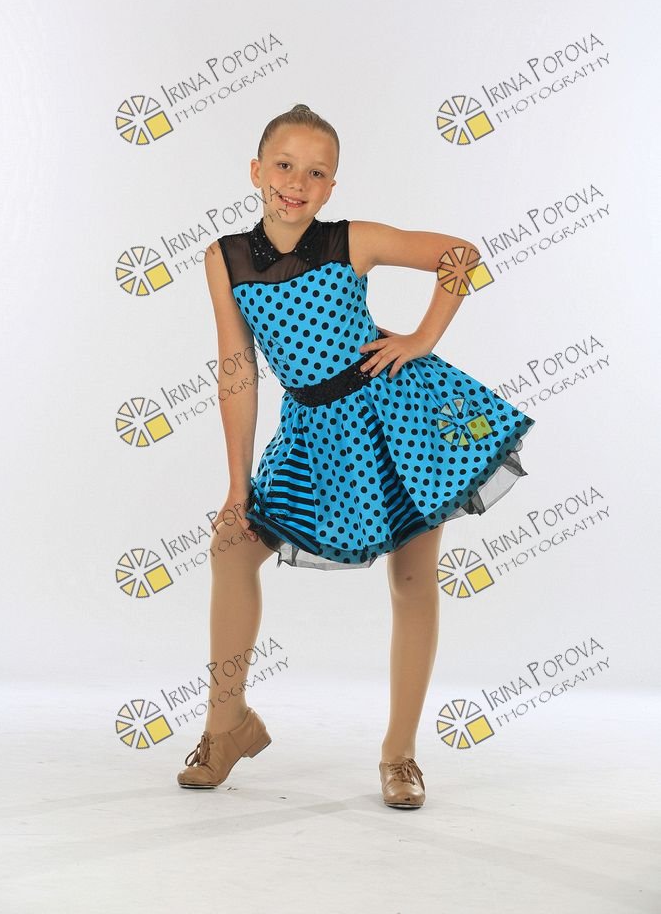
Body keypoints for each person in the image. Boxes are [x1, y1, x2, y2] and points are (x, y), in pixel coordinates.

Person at [176, 103, 536, 808]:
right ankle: (227, 724)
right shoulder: (225, 259)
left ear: (332, 186)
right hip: (312, 434)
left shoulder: (351, 240)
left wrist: (421, 339)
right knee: (231, 548)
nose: (297, 183)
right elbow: (237, 372)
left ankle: (399, 754)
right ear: (255, 170)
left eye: (316, 173)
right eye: (284, 166)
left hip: (399, 418)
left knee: (412, 579)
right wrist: (237, 486)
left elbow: (459, 256)